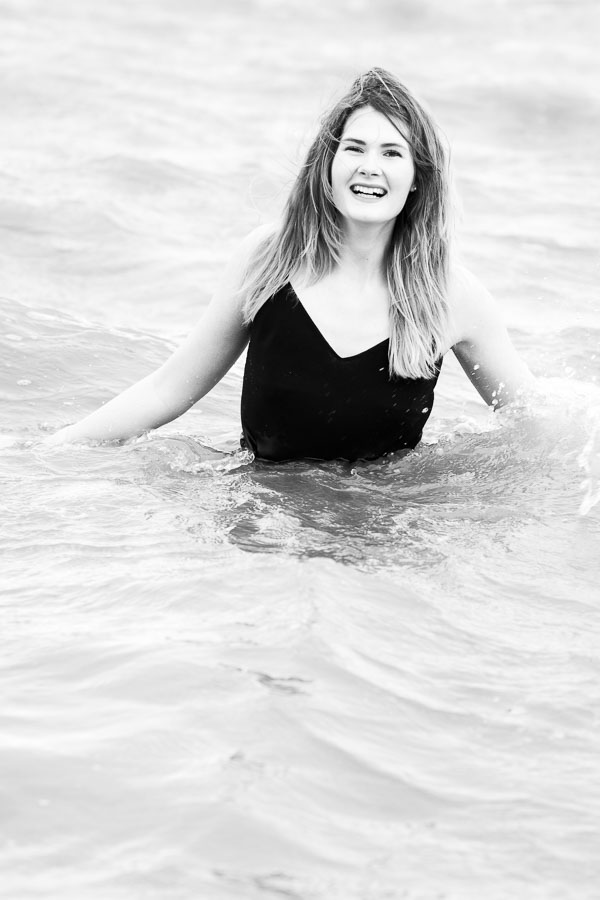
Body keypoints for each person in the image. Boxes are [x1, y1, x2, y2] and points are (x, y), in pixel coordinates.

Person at [44, 68, 535, 460]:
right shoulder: (269, 260)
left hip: (384, 533)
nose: (370, 166)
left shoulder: (451, 295)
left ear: (417, 179)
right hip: (264, 525)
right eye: (355, 148)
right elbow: (167, 389)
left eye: (392, 153)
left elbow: (532, 418)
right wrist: (53, 450)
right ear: (327, 165)